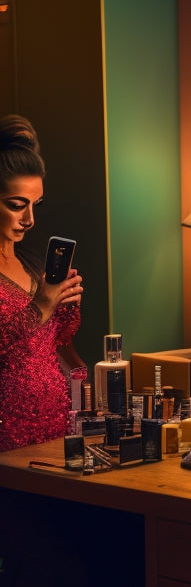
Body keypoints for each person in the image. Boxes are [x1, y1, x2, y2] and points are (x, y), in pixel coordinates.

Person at [0, 114, 84, 452]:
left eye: (35, 205)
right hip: (6, 436)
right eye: (17, 205)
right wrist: (42, 306)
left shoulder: (32, 267)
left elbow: (58, 346)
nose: (30, 219)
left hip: (55, 425)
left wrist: (65, 302)